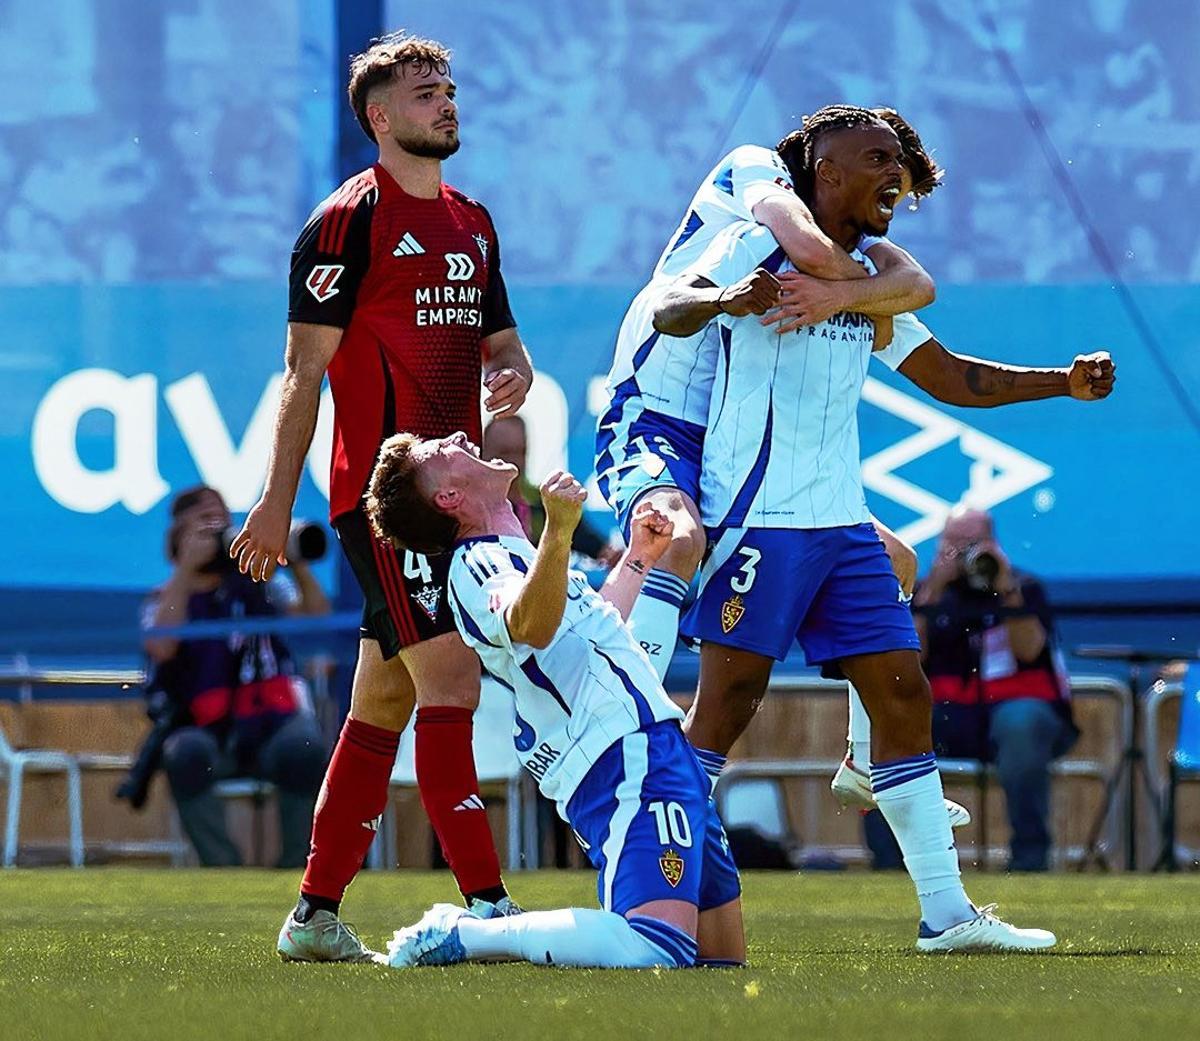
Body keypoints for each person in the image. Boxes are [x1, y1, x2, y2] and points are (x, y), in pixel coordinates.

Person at [662, 105, 1113, 951]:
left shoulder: (867, 278)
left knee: (905, 696)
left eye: (900, 161)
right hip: (756, 518)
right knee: (726, 707)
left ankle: (946, 915)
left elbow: (950, 375)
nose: (895, 174)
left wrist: (1063, 382)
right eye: (877, 157)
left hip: (841, 526)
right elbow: (668, 309)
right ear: (824, 170)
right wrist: (728, 296)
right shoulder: (755, 246)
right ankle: (650, 886)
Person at [229, 32, 534, 962]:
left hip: (460, 504)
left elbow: (500, 340)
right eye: (424, 92)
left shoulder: (473, 221)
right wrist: (275, 504)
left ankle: (315, 914)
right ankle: (488, 908)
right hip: (387, 501)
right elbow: (301, 374)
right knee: (453, 678)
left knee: (383, 702)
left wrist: (513, 364)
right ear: (379, 116)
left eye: (449, 88)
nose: (446, 103)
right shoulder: (344, 223)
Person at [366, 433, 743, 969]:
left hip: (653, 743)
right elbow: (529, 624)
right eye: (441, 451)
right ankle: (466, 934)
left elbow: (588, 630)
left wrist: (637, 558)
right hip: (622, 753)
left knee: (720, 960)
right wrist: (561, 529)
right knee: (656, 949)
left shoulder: (521, 555)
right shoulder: (477, 563)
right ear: (448, 498)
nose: (457, 437)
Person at [594, 111, 940, 683]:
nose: (884, 208)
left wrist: (873, 293)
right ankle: (628, 710)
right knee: (675, 538)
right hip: (655, 407)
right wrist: (883, 288)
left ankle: (862, 761)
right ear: (830, 167)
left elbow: (942, 364)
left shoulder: (840, 268)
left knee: (895, 563)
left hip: (735, 437)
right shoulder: (759, 171)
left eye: (896, 191)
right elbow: (824, 254)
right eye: (882, 173)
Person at [140, 486, 327, 867]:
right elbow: (161, 646)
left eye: (222, 521)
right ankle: (223, 868)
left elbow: (316, 617)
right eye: (205, 524)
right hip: (207, 732)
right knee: (184, 753)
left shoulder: (258, 587)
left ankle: (297, 870)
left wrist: (293, 557)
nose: (219, 530)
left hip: (269, 724)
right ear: (179, 535)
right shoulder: (165, 596)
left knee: (304, 745)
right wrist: (187, 569)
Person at [883, 508, 1074, 872]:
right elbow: (908, 661)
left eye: (973, 543)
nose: (964, 552)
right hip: (949, 716)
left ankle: (1029, 862)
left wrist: (1004, 589)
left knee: (1021, 722)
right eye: (953, 543)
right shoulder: (927, 594)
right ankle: (891, 867)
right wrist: (931, 592)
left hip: (1013, 716)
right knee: (889, 724)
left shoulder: (1024, 587)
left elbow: (1029, 650)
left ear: (994, 544)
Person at [483, 414, 618, 565]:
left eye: (520, 452)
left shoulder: (545, 501)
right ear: (483, 452)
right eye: (504, 452)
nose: (514, 462)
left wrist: (619, 556)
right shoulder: (469, 506)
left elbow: (603, 551)